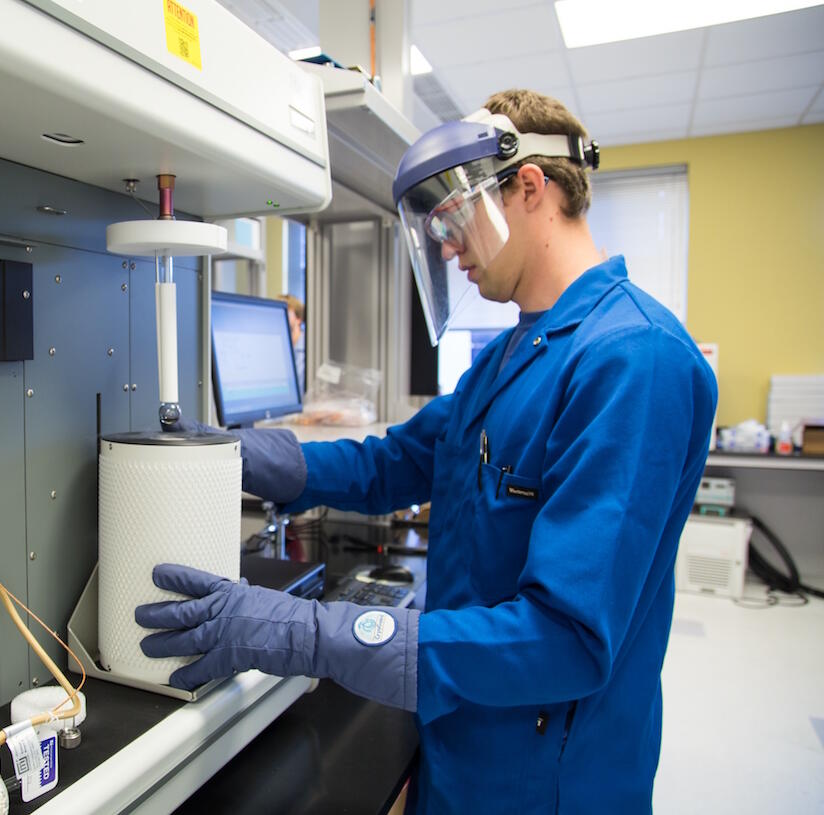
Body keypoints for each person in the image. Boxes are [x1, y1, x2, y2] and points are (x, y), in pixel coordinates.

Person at [137, 89, 717, 814]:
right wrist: (239, 455)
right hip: (458, 742)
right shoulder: (510, 357)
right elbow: (393, 464)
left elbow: (563, 640)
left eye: (453, 218)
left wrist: (308, 632)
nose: (446, 247)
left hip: (546, 783)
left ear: (528, 188)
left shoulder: (634, 361)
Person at [276, 293, 307, 395]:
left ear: (298, 319)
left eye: (286, 310)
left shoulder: (308, 350)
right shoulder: (276, 348)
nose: (279, 313)